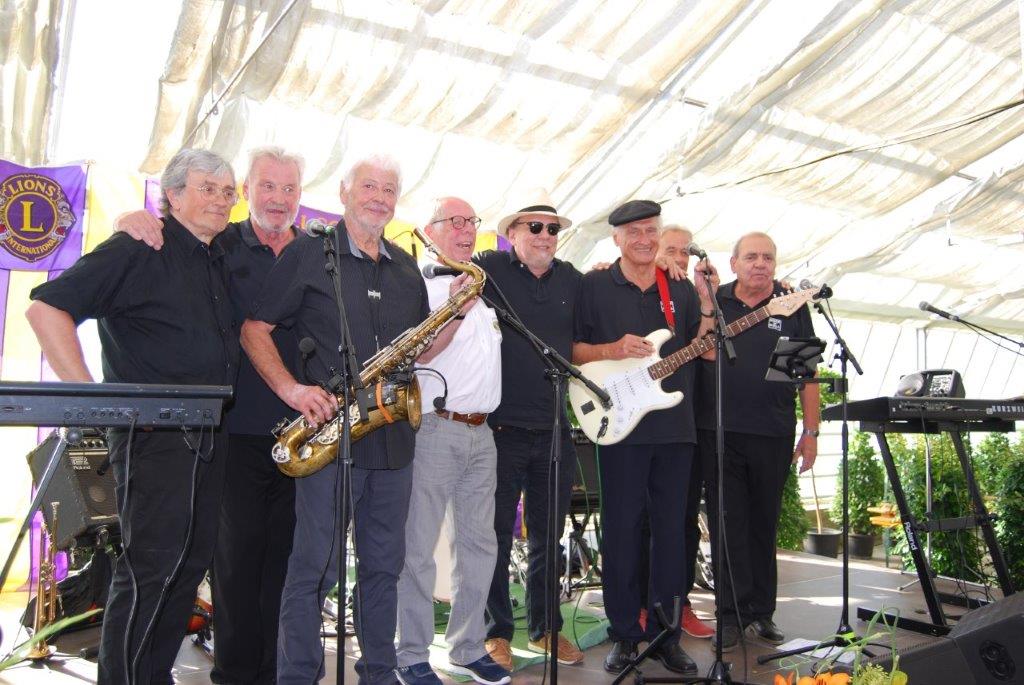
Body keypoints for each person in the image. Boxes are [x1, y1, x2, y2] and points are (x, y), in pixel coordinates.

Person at [241, 154, 467, 685]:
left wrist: (454, 313)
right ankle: (298, 677)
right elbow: (255, 329)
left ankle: (379, 673)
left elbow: (419, 350)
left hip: (392, 441)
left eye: (389, 190)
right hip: (329, 439)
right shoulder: (308, 253)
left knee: (384, 569)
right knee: (313, 570)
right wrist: (292, 389)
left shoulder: (406, 267)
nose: (379, 198)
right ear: (343, 192)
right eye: (369, 186)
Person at [26, 148, 240, 685]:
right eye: (207, 188)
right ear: (173, 195)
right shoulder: (139, 247)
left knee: (187, 567)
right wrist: (91, 401)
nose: (221, 199)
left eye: (227, 191)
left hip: (208, 438)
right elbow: (46, 309)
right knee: (150, 569)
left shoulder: (216, 255)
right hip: (153, 439)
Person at [114, 146, 305, 684]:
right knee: (233, 566)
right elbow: (163, 238)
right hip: (230, 433)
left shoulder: (316, 252)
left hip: (302, 436)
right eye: (267, 185)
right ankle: (235, 675)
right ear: (248, 190)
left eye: (289, 188)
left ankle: (275, 673)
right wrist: (130, 219)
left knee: (287, 565)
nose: (279, 198)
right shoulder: (220, 240)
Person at [572, 200, 716, 675]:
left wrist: (707, 302)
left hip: (675, 428)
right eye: (633, 231)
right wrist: (612, 350)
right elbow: (570, 349)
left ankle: (666, 635)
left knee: (673, 534)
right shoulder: (591, 285)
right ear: (616, 238)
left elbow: (704, 348)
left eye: (651, 230)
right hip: (619, 426)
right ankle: (624, 635)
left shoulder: (679, 288)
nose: (643, 239)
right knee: (621, 531)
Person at [394, 197, 510, 685]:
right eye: (454, 222)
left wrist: (469, 303)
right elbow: (418, 354)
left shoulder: (481, 291)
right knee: (419, 547)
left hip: (482, 432)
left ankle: (467, 647)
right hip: (436, 428)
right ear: (430, 231)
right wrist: (456, 311)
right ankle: (411, 655)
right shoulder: (422, 287)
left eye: (471, 222)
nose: (465, 230)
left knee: (480, 546)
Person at [696, 231, 819, 652]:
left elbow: (806, 375)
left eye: (768, 257)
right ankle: (729, 616)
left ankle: (761, 613)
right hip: (719, 434)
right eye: (751, 257)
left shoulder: (792, 304)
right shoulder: (715, 300)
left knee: (764, 525)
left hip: (773, 432)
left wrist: (811, 432)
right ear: (734, 263)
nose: (760, 264)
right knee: (727, 526)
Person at [479, 193, 585, 670]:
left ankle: (546, 629)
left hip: (555, 429)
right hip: (500, 429)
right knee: (496, 536)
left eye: (552, 229)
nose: (545, 236)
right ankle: (496, 632)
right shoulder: (489, 269)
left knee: (549, 537)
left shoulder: (574, 281)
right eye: (534, 227)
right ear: (512, 233)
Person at [650, 225, 715, 640]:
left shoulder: (691, 294)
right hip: (638, 423)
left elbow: (707, 349)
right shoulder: (629, 284)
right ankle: (641, 606)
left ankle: (679, 604)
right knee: (640, 521)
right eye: (669, 249)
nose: (678, 258)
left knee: (682, 521)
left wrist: (707, 301)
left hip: (685, 423)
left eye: (684, 253)